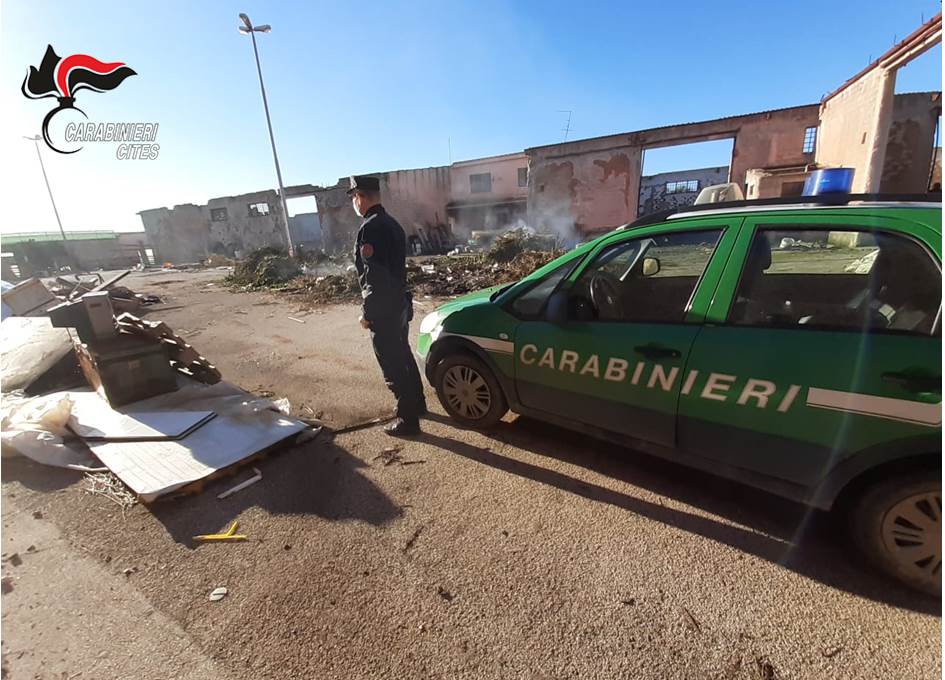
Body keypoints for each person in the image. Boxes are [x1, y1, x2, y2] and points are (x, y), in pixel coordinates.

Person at [348, 175, 426, 436]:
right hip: (399, 303)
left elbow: (374, 276)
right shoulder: (392, 224)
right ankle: (419, 403)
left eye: (353, 198)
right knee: (402, 353)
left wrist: (367, 314)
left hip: (384, 307)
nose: (354, 203)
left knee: (391, 363)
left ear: (360, 197)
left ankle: (408, 420)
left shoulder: (370, 228)